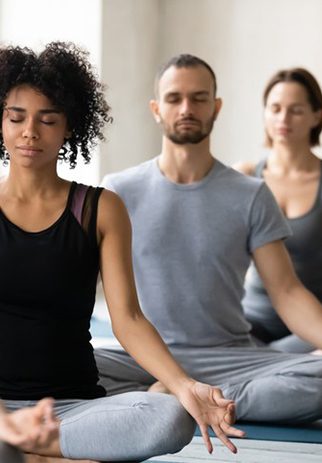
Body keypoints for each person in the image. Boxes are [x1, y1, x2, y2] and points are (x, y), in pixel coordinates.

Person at [0, 43, 244, 462]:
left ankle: (32, 451)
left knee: (169, 417)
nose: (30, 132)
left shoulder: (100, 209)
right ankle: (34, 447)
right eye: (16, 118)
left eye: (48, 119)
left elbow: (128, 319)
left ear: (70, 127)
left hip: (75, 408)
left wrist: (186, 386)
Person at [97, 54, 322, 424]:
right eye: (174, 98)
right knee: (43, 369)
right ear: (156, 109)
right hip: (144, 355)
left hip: (229, 357)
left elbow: (286, 292)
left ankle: (181, 399)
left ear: (216, 107)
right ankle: (189, 395)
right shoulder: (117, 191)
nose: (187, 108)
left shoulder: (251, 194)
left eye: (199, 98)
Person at [234, 68, 322, 354]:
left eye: (295, 110)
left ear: (316, 116)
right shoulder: (244, 176)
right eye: (275, 108)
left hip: (312, 325)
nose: (283, 119)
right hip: (253, 320)